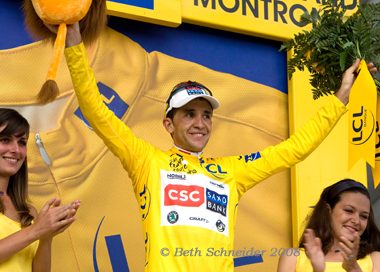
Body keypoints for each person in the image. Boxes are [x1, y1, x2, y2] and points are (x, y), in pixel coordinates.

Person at [54, 21, 377, 271]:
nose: (200, 123)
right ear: (168, 124)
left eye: (206, 115)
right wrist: (74, 46)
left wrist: (340, 100)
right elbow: (96, 111)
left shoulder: (231, 172)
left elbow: (295, 149)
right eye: (189, 114)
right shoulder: (147, 161)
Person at [0, 108, 80, 272]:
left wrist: (46, 237)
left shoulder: (28, 212)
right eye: (5, 140)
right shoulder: (33, 227)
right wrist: (37, 230)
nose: (16, 150)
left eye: (22, 142)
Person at [277, 179, 380, 272]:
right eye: (349, 211)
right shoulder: (292, 258)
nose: (356, 221)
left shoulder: (375, 259)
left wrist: (353, 268)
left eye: (363, 216)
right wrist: (318, 270)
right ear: (328, 211)